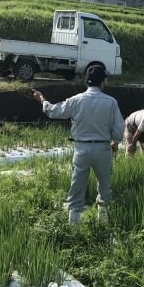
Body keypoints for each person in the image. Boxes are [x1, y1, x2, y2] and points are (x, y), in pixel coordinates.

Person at [32, 66, 125, 224]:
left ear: (86, 82)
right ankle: (103, 221)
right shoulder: (111, 102)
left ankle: (74, 225)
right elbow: (119, 126)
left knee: (77, 188)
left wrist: (42, 99)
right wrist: (115, 141)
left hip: (82, 149)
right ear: (103, 82)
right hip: (103, 149)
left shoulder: (76, 100)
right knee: (104, 187)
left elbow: (54, 111)